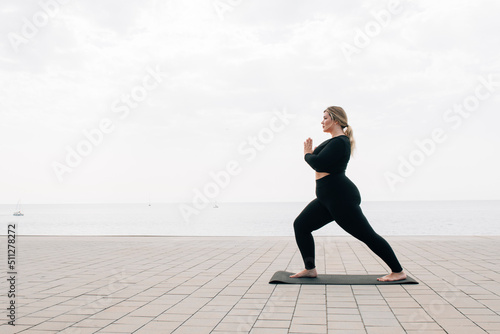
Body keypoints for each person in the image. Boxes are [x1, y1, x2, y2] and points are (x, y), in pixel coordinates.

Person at [290, 106, 406, 282]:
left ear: (335, 120)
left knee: (367, 235)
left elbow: (318, 163)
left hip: (340, 198)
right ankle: (310, 269)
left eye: (325, 118)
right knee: (301, 226)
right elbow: (318, 159)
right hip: (326, 198)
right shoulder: (332, 141)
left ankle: (398, 271)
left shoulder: (340, 142)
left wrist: (307, 154)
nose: (322, 121)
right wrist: (311, 154)